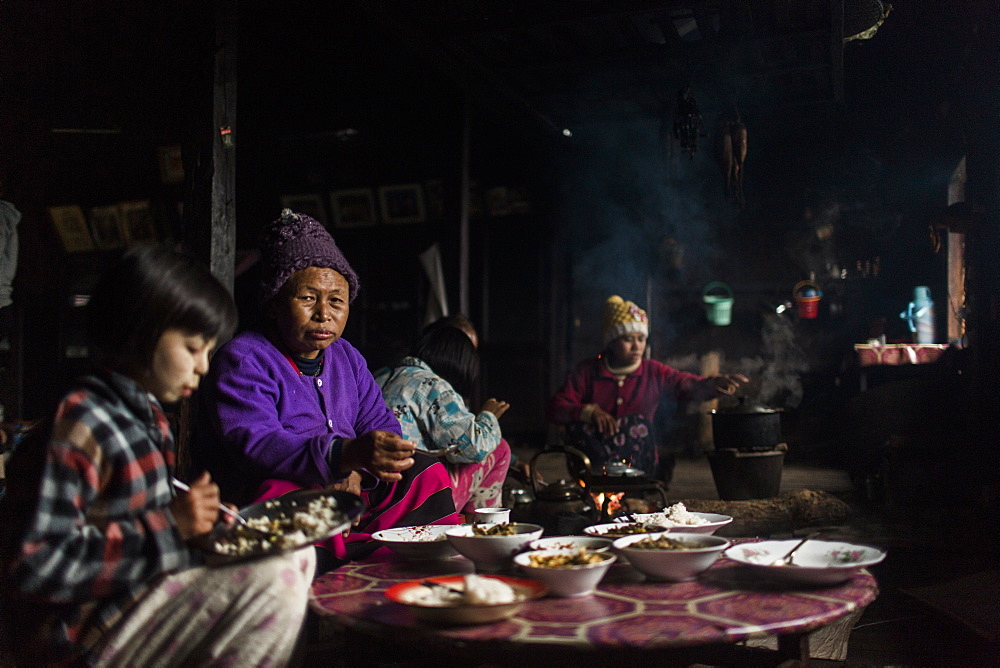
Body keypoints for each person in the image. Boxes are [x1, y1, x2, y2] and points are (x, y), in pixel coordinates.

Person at [0, 246, 315, 666]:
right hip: (80, 638)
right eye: (192, 348)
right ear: (139, 332)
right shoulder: (81, 421)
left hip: (132, 601)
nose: (204, 367)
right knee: (279, 577)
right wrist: (171, 528)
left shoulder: (150, 419)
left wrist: (200, 530)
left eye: (209, 351)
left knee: (296, 551)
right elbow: (35, 568)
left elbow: (133, 526)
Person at [193, 209, 460, 570]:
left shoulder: (346, 357)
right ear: (273, 303)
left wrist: (357, 468)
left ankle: (390, 556)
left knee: (426, 474)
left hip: (354, 487)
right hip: (286, 488)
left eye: (336, 300)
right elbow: (256, 445)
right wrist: (339, 459)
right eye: (307, 298)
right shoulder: (244, 358)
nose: (324, 313)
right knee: (280, 496)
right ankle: (329, 566)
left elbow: (381, 425)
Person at [547, 295, 747, 481]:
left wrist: (713, 384)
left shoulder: (654, 372)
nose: (636, 346)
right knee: (577, 425)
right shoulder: (587, 372)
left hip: (639, 464)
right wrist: (589, 412)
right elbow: (556, 407)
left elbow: (686, 384)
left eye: (641, 339)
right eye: (628, 339)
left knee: (637, 424)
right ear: (611, 343)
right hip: (594, 466)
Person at [375, 324, 511, 514]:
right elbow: (475, 448)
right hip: (411, 505)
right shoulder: (431, 384)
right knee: (500, 449)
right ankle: (481, 532)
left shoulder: (380, 375)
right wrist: (488, 416)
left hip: (375, 497)